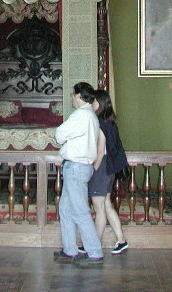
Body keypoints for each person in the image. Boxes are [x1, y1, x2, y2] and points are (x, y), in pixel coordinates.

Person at [53, 81, 104, 267]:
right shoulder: (91, 115)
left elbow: (59, 134)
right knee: (66, 209)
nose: (72, 99)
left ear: (79, 96)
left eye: (73, 96)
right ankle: (69, 249)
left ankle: (94, 252)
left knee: (80, 210)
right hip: (80, 167)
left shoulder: (81, 115)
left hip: (76, 167)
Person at [85, 89, 128, 254]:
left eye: (94, 101)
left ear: (100, 103)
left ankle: (94, 244)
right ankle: (121, 240)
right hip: (110, 168)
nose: (91, 104)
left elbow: (100, 151)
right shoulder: (109, 122)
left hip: (101, 167)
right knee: (107, 205)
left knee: (99, 207)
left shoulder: (100, 123)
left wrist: (92, 171)